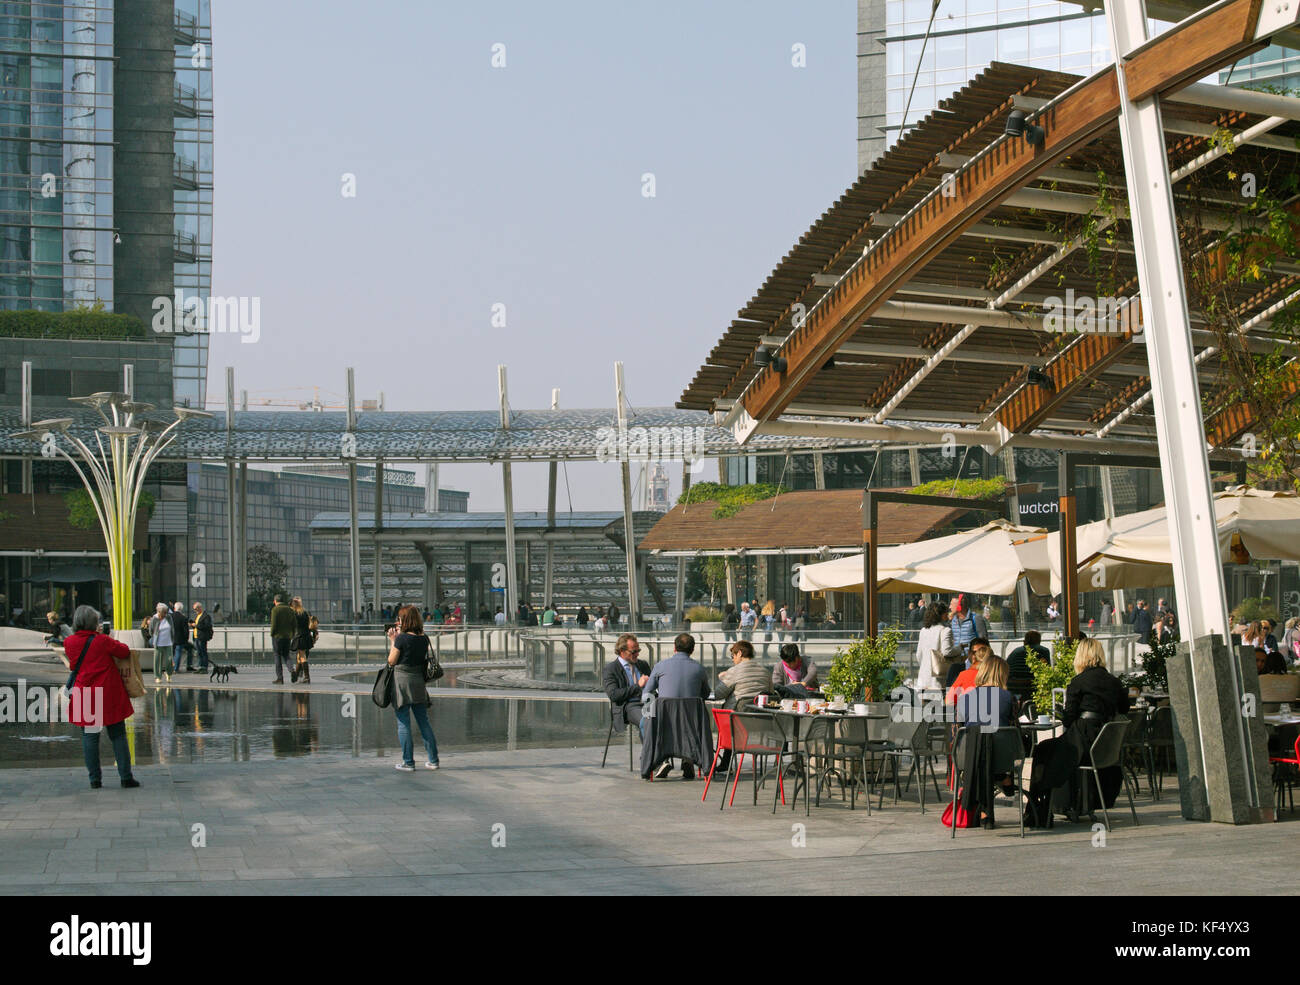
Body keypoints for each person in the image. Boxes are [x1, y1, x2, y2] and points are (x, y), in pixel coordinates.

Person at [1052, 638, 1130, 820]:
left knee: (1052, 752)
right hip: (1107, 743)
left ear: (1081, 656)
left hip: (1084, 739)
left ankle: (1067, 805)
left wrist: (1061, 714)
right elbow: (1124, 708)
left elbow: (1069, 718)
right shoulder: (1114, 682)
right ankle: (1088, 804)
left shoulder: (1078, 682)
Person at [64, 605, 139, 789]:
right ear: (93, 623)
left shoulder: (70, 642)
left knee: (89, 738)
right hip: (108, 693)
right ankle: (125, 777)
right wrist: (103, 636)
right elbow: (124, 651)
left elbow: (74, 664)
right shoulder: (102, 640)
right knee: (118, 735)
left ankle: (94, 779)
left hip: (84, 693)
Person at [642, 633, 711, 779]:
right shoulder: (699, 669)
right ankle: (688, 759)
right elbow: (705, 694)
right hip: (690, 722)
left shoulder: (660, 666)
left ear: (674, 647)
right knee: (691, 717)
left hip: (664, 721)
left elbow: (646, 693)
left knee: (650, 717)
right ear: (692, 650)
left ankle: (662, 760)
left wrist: (648, 714)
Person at [386, 605, 440, 772]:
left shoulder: (402, 639)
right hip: (418, 681)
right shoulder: (424, 638)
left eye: (400, 618)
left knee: (403, 722)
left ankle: (408, 762)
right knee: (423, 721)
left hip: (402, 680)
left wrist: (393, 640)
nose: (399, 621)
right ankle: (433, 760)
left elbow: (391, 661)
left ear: (405, 620)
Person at [601, 633, 651, 733]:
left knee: (665, 719)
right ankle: (650, 749)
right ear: (621, 651)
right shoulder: (611, 669)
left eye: (638, 651)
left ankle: (652, 748)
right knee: (647, 722)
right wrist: (638, 686)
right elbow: (614, 695)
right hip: (628, 705)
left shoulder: (642, 664)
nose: (637, 654)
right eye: (633, 652)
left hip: (648, 703)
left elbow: (653, 687)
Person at [915, 601, 960, 693]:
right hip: (938, 680)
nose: (947, 614)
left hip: (923, 678)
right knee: (940, 706)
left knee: (924, 706)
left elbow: (918, 655)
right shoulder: (945, 631)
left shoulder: (923, 631)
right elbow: (946, 651)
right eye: (946, 612)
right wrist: (960, 648)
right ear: (941, 614)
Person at [714, 639, 770, 711]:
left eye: (733, 656)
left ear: (739, 653)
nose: (732, 660)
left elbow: (718, 695)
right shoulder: (765, 672)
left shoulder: (733, 671)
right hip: (761, 715)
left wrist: (722, 679)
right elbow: (770, 693)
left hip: (736, 715)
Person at [1005, 630, 1050, 701]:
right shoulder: (1044, 651)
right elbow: (1047, 671)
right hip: (1033, 687)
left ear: (1025, 640)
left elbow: (1006, 668)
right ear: (1039, 640)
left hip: (1013, 686)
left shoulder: (1015, 651)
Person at [946, 639, 990, 704]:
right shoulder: (956, 668)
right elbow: (949, 696)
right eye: (975, 652)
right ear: (969, 652)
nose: (978, 656)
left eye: (982, 653)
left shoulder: (992, 671)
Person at [269, 594, 297, 685]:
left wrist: (272, 633)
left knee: (277, 655)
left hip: (277, 637)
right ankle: (292, 670)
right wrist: (292, 634)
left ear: (275, 601)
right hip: (287, 637)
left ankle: (280, 678)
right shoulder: (290, 610)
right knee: (286, 655)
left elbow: (274, 624)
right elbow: (294, 624)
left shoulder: (275, 610)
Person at [290, 596, 315, 684]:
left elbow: (293, 626)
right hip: (307, 636)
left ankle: (307, 677)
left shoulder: (295, 614)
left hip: (300, 637)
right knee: (299, 657)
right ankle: (297, 676)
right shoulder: (306, 612)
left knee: (302, 657)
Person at [149, 602, 174, 683]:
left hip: (168, 642)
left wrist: (173, 637)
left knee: (169, 660)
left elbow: (172, 628)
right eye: (164, 612)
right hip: (158, 643)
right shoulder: (154, 619)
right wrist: (155, 637)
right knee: (157, 661)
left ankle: (168, 673)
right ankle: (157, 676)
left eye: (166, 612)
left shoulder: (168, 617)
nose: (165, 614)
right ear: (159, 611)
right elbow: (151, 631)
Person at [191, 602, 212, 673]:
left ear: (200, 608)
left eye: (196, 609)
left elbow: (207, 626)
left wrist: (196, 625)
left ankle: (204, 667)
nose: (195, 611)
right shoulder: (197, 616)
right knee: (199, 652)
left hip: (202, 637)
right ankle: (200, 667)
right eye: (194, 609)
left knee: (203, 652)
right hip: (196, 636)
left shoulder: (206, 616)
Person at [171, 602, 192, 672]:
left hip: (171, 638)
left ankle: (171, 667)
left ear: (174, 608)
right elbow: (186, 630)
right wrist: (186, 638)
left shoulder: (170, 617)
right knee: (178, 652)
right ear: (181, 609)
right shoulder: (183, 618)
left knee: (171, 653)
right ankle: (176, 668)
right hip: (180, 639)